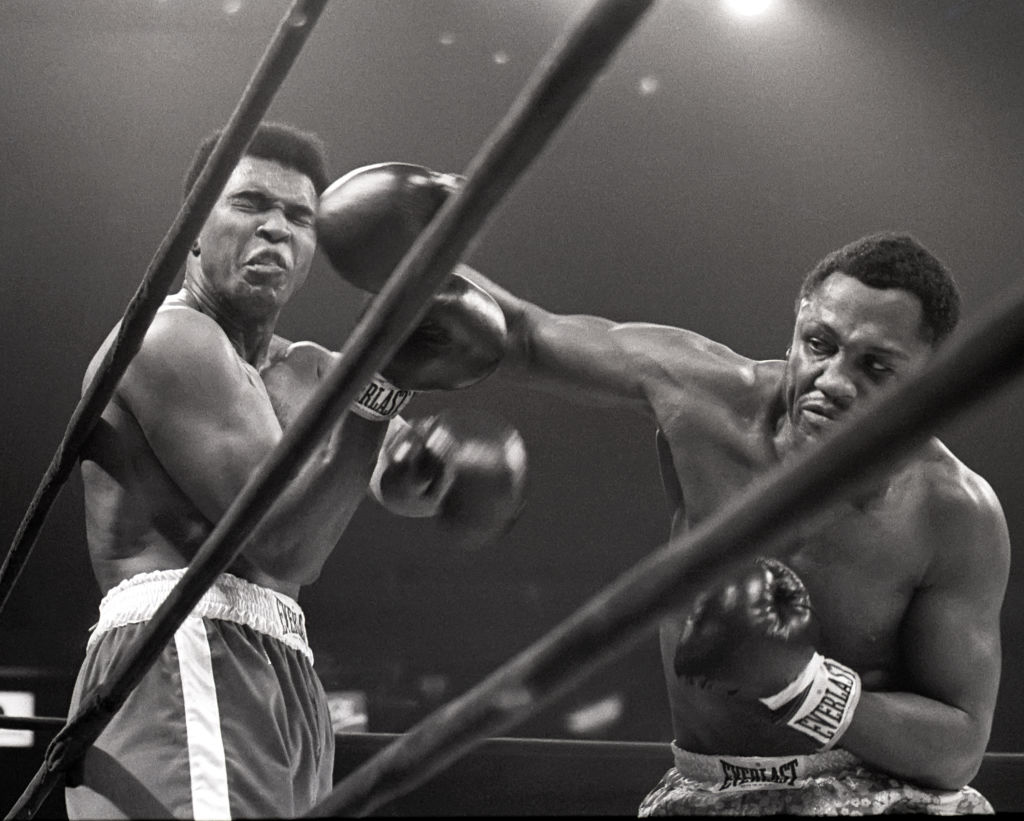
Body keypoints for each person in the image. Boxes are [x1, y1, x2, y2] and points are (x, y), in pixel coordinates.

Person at [313, 165, 1010, 815]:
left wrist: (803, 686)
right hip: (702, 790)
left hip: (878, 794)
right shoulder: (705, 395)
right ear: (798, 320)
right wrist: (422, 251)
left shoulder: (953, 511)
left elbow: (959, 746)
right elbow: (523, 335)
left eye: (875, 366)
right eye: (819, 343)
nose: (832, 379)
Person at [64, 124, 527, 819]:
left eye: (300, 217)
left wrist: (440, 467)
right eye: (250, 204)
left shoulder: (309, 368)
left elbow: (395, 473)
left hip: (283, 669)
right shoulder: (168, 342)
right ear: (193, 227)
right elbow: (282, 544)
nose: (276, 230)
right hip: (181, 651)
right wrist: (381, 392)